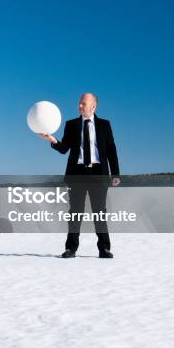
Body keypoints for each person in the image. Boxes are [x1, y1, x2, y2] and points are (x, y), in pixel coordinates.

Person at [38, 93, 120, 259]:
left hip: (99, 174)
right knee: (75, 212)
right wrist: (52, 140)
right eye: (79, 103)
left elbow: (111, 150)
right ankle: (71, 248)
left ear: (93, 106)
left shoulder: (105, 125)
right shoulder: (71, 125)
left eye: (83, 103)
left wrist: (115, 173)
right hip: (77, 174)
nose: (79, 106)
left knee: (99, 213)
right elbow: (64, 149)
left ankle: (104, 248)